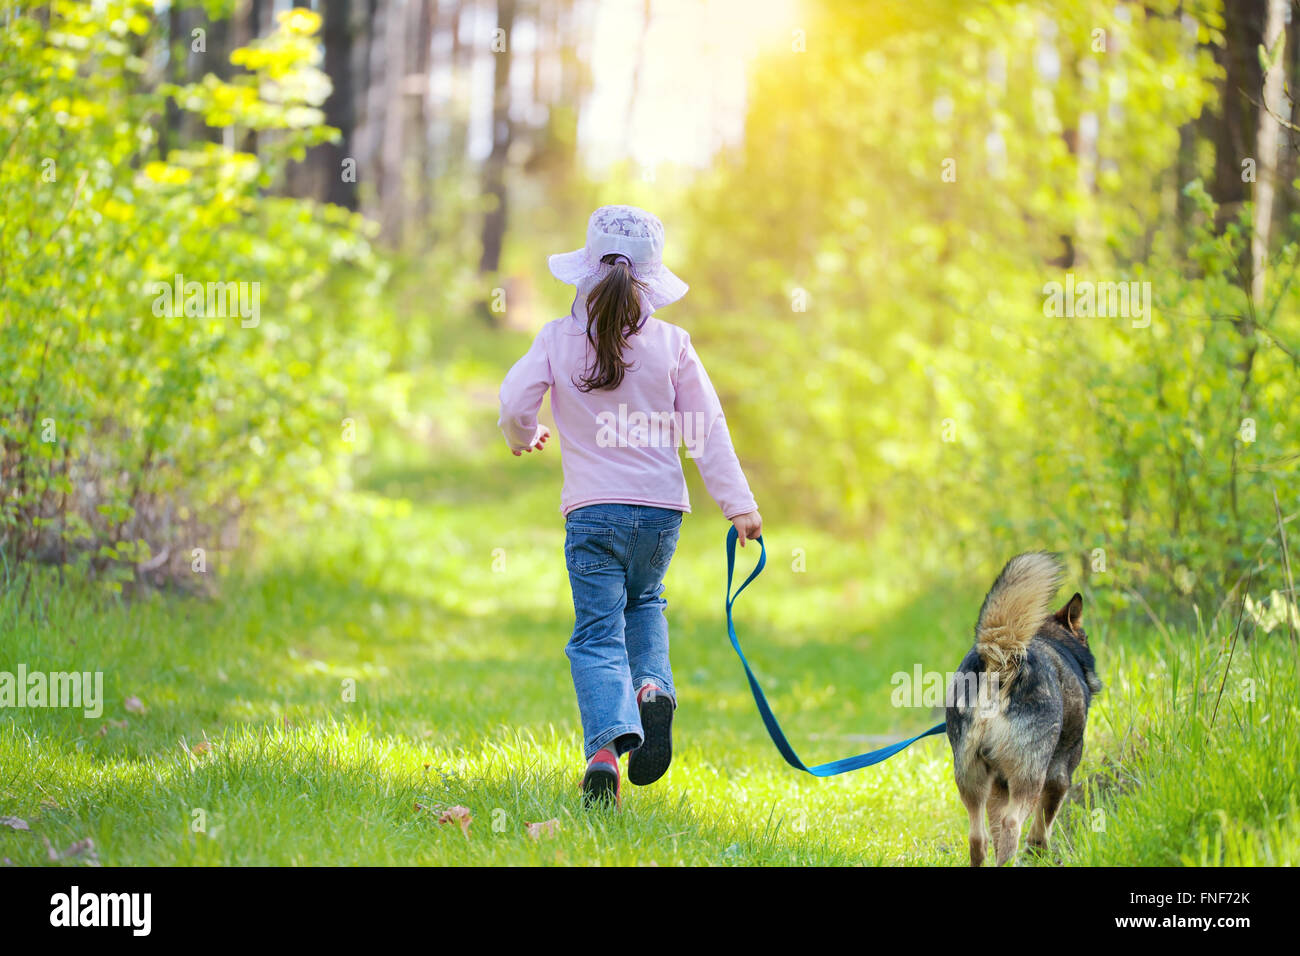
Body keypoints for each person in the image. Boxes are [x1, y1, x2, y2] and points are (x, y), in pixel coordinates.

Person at [498, 205, 761, 806]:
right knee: (645, 604)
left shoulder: (558, 337)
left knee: (595, 636)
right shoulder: (672, 343)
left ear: (586, 270)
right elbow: (706, 428)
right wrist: (738, 504)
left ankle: (603, 756)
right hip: (661, 513)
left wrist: (522, 435)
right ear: (653, 279)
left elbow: (515, 399)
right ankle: (651, 689)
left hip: (592, 514)